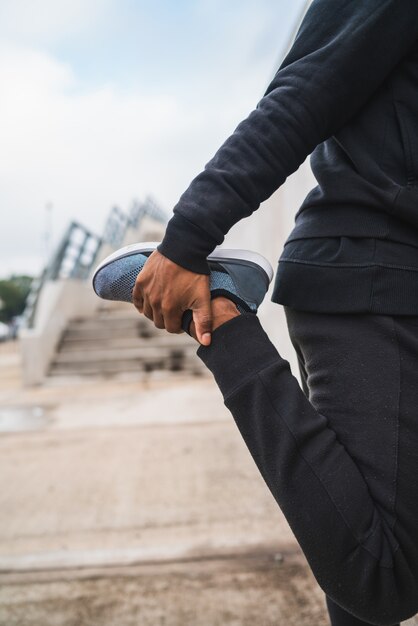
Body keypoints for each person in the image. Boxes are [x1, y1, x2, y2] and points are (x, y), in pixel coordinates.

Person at [93, 1, 418, 624]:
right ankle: (223, 311)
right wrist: (188, 239)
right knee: (377, 576)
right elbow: (304, 92)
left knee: (351, 539)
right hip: (370, 274)